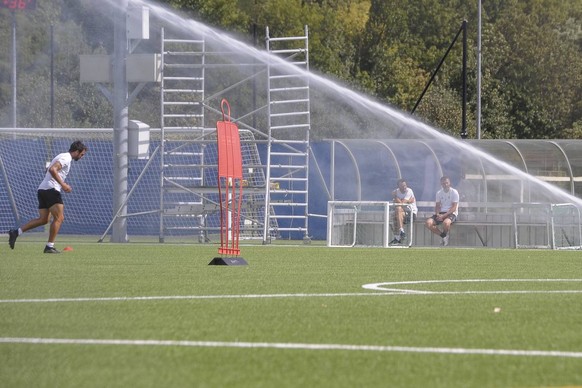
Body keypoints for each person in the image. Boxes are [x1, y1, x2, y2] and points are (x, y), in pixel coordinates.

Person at [8, 140, 88, 254]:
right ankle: (49, 246)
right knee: (59, 218)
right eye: (82, 154)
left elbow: (49, 169)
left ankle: (16, 232)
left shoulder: (62, 156)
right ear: (76, 151)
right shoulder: (66, 157)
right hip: (51, 189)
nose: (82, 157)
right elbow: (52, 169)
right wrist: (63, 184)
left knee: (44, 219)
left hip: (43, 189)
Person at [425, 175, 459, 246]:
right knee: (428, 223)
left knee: (446, 223)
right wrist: (437, 214)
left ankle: (445, 235)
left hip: (451, 213)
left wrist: (444, 215)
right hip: (441, 213)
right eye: (443, 183)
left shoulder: (454, 192)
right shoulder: (439, 193)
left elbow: (454, 207)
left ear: (449, 183)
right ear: (441, 184)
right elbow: (437, 206)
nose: (445, 185)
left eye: (447, 183)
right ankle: (443, 236)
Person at [389, 178, 417, 245]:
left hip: (411, 213)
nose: (404, 187)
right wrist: (408, 201)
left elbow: (402, 203)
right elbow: (401, 203)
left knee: (398, 209)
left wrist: (396, 198)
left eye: (405, 185)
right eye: (402, 186)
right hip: (401, 213)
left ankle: (399, 235)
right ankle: (398, 237)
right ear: (398, 187)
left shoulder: (409, 191)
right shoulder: (396, 191)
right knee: (395, 216)